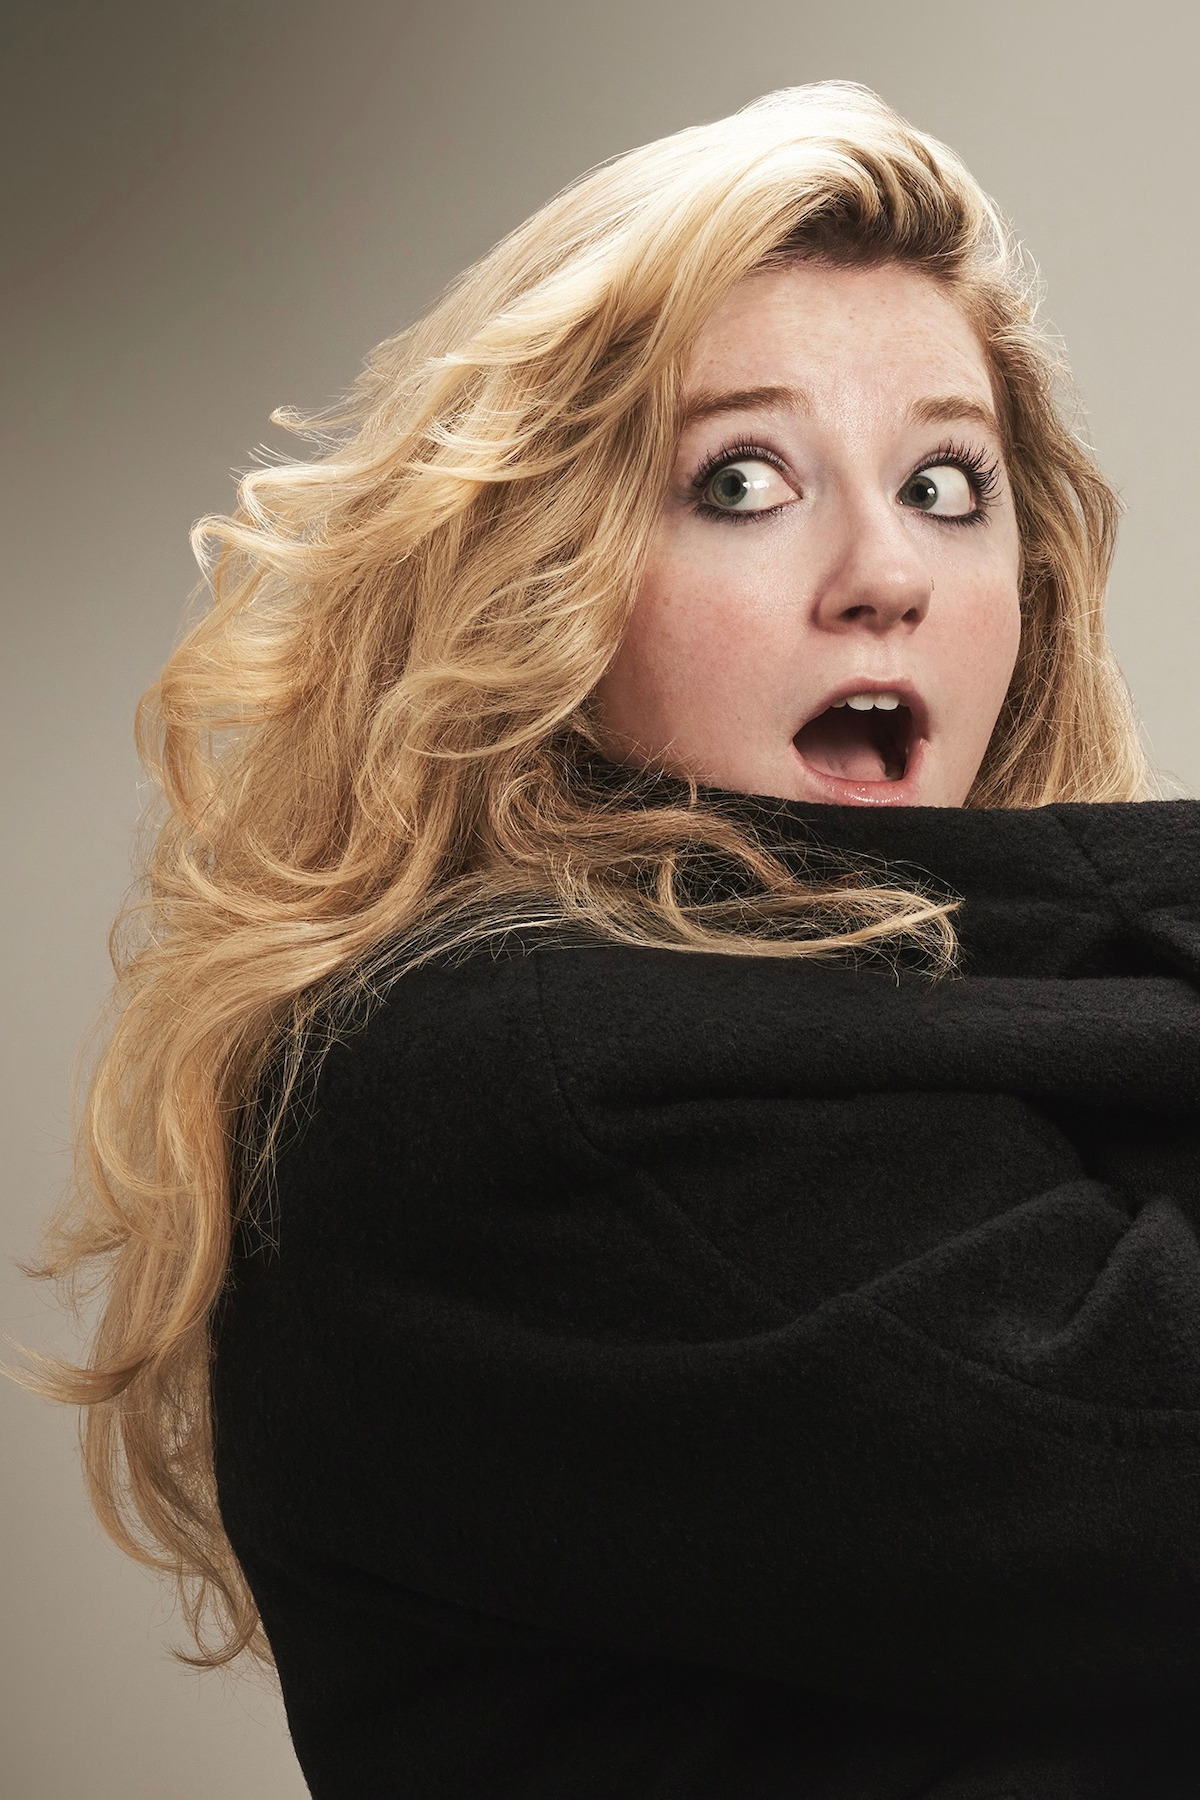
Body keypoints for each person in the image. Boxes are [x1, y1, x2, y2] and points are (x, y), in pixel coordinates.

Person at [16, 80, 1200, 1798]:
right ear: (543, 573)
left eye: (949, 482)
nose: (887, 573)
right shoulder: (524, 1077)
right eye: (741, 479)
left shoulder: (970, 1001)